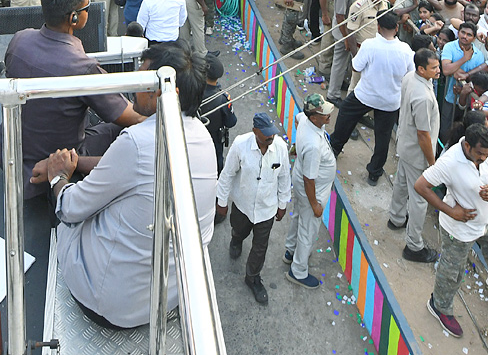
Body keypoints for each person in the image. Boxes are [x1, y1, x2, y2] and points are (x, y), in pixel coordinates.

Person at [45, 42, 217, 329]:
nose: (135, 83)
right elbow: (129, 170)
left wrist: (58, 176)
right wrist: (80, 164)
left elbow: (71, 208)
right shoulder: (203, 136)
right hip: (164, 297)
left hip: (109, 305)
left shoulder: (136, 141)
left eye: (143, 77)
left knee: (66, 212)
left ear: (162, 92)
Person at [4, 0, 142, 199]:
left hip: (14, 156)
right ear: (74, 18)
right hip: (56, 162)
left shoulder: (19, 40)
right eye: (87, 8)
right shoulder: (82, 66)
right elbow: (131, 117)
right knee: (128, 132)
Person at [415, 123, 488, 339]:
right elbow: (420, 186)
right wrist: (451, 211)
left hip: (482, 221)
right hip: (457, 230)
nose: (484, 158)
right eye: (479, 154)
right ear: (467, 146)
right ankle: (439, 306)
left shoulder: (485, 153)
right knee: (452, 273)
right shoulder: (449, 162)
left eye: (487, 154)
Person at [328, 11, 414, 184]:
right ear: (397, 28)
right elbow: (410, 75)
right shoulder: (406, 50)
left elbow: (356, 67)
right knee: (383, 137)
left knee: (345, 114)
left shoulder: (369, 45)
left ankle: (334, 149)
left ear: (378, 27)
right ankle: (374, 172)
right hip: (390, 101)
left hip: (366, 95)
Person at [216, 113, 291, 306]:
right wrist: (222, 202)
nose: (270, 137)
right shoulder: (241, 145)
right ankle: (236, 240)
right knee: (239, 230)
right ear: (255, 131)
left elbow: (284, 177)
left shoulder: (280, 147)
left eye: (272, 134)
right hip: (243, 205)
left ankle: (252, 277)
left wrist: (282, 204)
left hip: (267, 209)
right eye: (266, 134)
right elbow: (227, 175)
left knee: (260, 246)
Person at [388, 48, 441, 263]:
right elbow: (423, 134)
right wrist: (431, 163)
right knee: (419, 199)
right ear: (421, 68)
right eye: (434, 67)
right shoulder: (423, 97)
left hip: (405, 143)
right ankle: (414, 245)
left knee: (401, 182)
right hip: (417, 152)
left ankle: (396, 217)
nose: (438, 70)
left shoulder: (411, 77)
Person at [285, 93, 337, 290]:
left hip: (299, 179)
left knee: (299, 216)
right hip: (311, 189)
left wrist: (298, 146)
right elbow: (309, 180)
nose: (328, 117)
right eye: (324, 115)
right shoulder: (314, 147)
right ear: (314, 117)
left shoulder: (305, 120)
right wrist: (315, 203)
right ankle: (297, 271)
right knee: (308, 229)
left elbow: (298, 120)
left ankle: (290, 251)